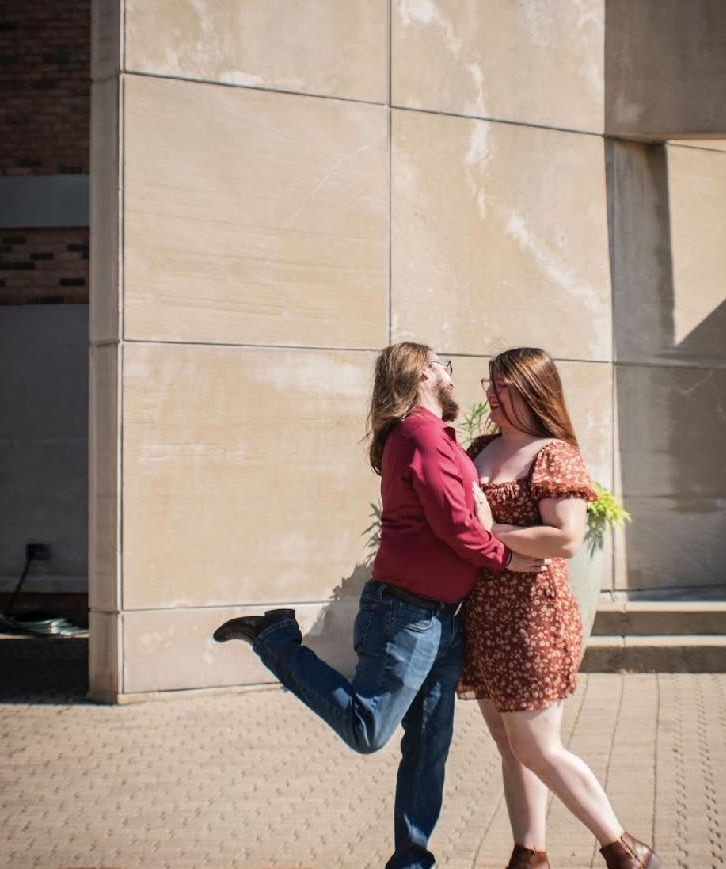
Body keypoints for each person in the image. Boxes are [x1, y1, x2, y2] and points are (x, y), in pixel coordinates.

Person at [213, 341, 547, 869]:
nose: (449, 371)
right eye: (440, 365)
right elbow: (456, 525)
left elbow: (467, 513)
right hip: (406, 617)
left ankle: (411, 861)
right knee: (368, 729)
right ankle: (274, 639)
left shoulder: (439, 436)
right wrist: (506, 558)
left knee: (428, 751)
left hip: (443, 621)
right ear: (420, 377)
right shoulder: (419, 434)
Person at [460, 347, 661, 869]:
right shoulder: (478, 448)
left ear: (532, 390)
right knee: (510, 744)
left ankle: (623, 847)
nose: (492, 394)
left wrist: (491, 532)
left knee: (537, 746)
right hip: (484, 616)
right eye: (490, 384)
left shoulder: (553, 454)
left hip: (533, 617)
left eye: (503, 386)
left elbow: (566, 538)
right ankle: (529, 854)